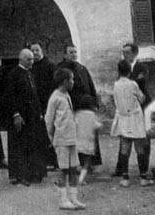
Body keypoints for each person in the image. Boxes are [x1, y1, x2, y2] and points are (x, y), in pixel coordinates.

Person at [45, 67, 86, 211]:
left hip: (71, 139)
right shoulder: (55, 97)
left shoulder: (66, 95)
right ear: (65, 81)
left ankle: (73, 198)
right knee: (63, 170)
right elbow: (49, 120)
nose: (73, 82)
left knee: (73, 168)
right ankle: (63, 200)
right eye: (72, 79)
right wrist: (52, 138)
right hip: (61, 139)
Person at [4, 48, 46, 185]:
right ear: (21, 59)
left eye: (33, 59)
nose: (32, 61)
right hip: (21, 116)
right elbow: (10, 96)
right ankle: (19, 175)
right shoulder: (14, 74)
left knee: (31, 144)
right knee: (20, 145)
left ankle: (33, 173)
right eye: (29, 59)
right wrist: (16, 114)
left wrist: (39, 112)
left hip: (32, 115)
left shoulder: (30, 74)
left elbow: (35, 95)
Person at [111, 59, 153, 187]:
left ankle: (125, 178)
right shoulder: (133, 84)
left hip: (123, 117)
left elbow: (115, 101)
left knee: (125, 147)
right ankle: (143, 178)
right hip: (135, 117)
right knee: (139, 146)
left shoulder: (116, 84)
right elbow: (142, 98)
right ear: (130, 71)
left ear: (118, 71)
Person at [58, 44, 101, 168]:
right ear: (65, 55)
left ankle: (91, 163)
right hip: (74, 107)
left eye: (75, 52)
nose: (73, 54)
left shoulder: (82, 68)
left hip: (87, 106)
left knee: (89, 136)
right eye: (70, 52)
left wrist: (95, 103)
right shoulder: (61, 69)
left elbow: (91, 86)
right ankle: (77, 164)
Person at [31, 42, 56, 168]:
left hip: (48, 102)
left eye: (37, 50)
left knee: (51, 131)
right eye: (32, 50)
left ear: (42, 51)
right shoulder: (31, 67)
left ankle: (54, 161)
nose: (35, 52)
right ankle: (44, 160)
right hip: (37, 104)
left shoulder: (50, 65)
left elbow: (54, 84)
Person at [76, 95, 102, 186]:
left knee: (78, 160)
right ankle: (81, 179)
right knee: (87, 162)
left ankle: (75, 175)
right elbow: (97, 126)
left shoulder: (77, 114)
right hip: (88, 142)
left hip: (77, 142)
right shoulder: (92, 115)